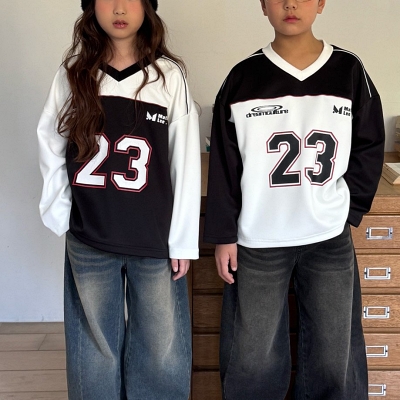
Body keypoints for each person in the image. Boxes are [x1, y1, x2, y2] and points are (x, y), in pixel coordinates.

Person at [203, 0, 385, 399]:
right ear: (262, 6)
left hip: (327, 236)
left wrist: (350, 208)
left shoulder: (349, 70)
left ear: (320, 3)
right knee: (253, 354)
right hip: (258, 239)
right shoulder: (242, 77)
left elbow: (370, 144)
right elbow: (225, 165)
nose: (290, 4)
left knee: (334, 351)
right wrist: (224, 234)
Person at [37, 0, 200, 399]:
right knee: (95, 348)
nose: (119, 7)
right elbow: (50, 141)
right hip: (91, 235)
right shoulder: (75, 74)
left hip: (154, 239)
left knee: (160, 348)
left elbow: (184, 161)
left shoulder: (168, 76)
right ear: (91, 8)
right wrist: (63, 214)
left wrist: (182, 240)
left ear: (148, 7)